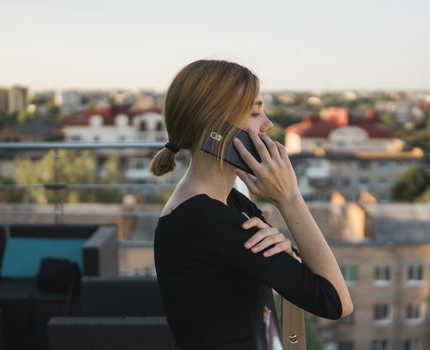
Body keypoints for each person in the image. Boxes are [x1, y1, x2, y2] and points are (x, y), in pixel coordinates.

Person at [150, 59, 353, 350]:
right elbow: (335, 301)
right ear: (215, 129)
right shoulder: (209, 220)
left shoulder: (230, 203)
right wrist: (290, 198)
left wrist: (289, 253)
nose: (268, 124)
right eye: (255, 112)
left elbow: (298, 268)